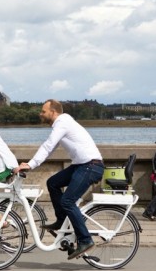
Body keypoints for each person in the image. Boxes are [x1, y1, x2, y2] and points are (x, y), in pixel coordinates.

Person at [15, 99, 104, 260]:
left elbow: (48, 145)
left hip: (90, 166)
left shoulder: (62, 123)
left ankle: (85, 240)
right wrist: (31, 163)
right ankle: (62, 220)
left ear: (53, 112)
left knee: (68, 201)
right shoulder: (62, 124)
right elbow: (50, 147)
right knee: (52, 183)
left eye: (43, 111)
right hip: (82, 165)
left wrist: (30, 164)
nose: (40, 114)